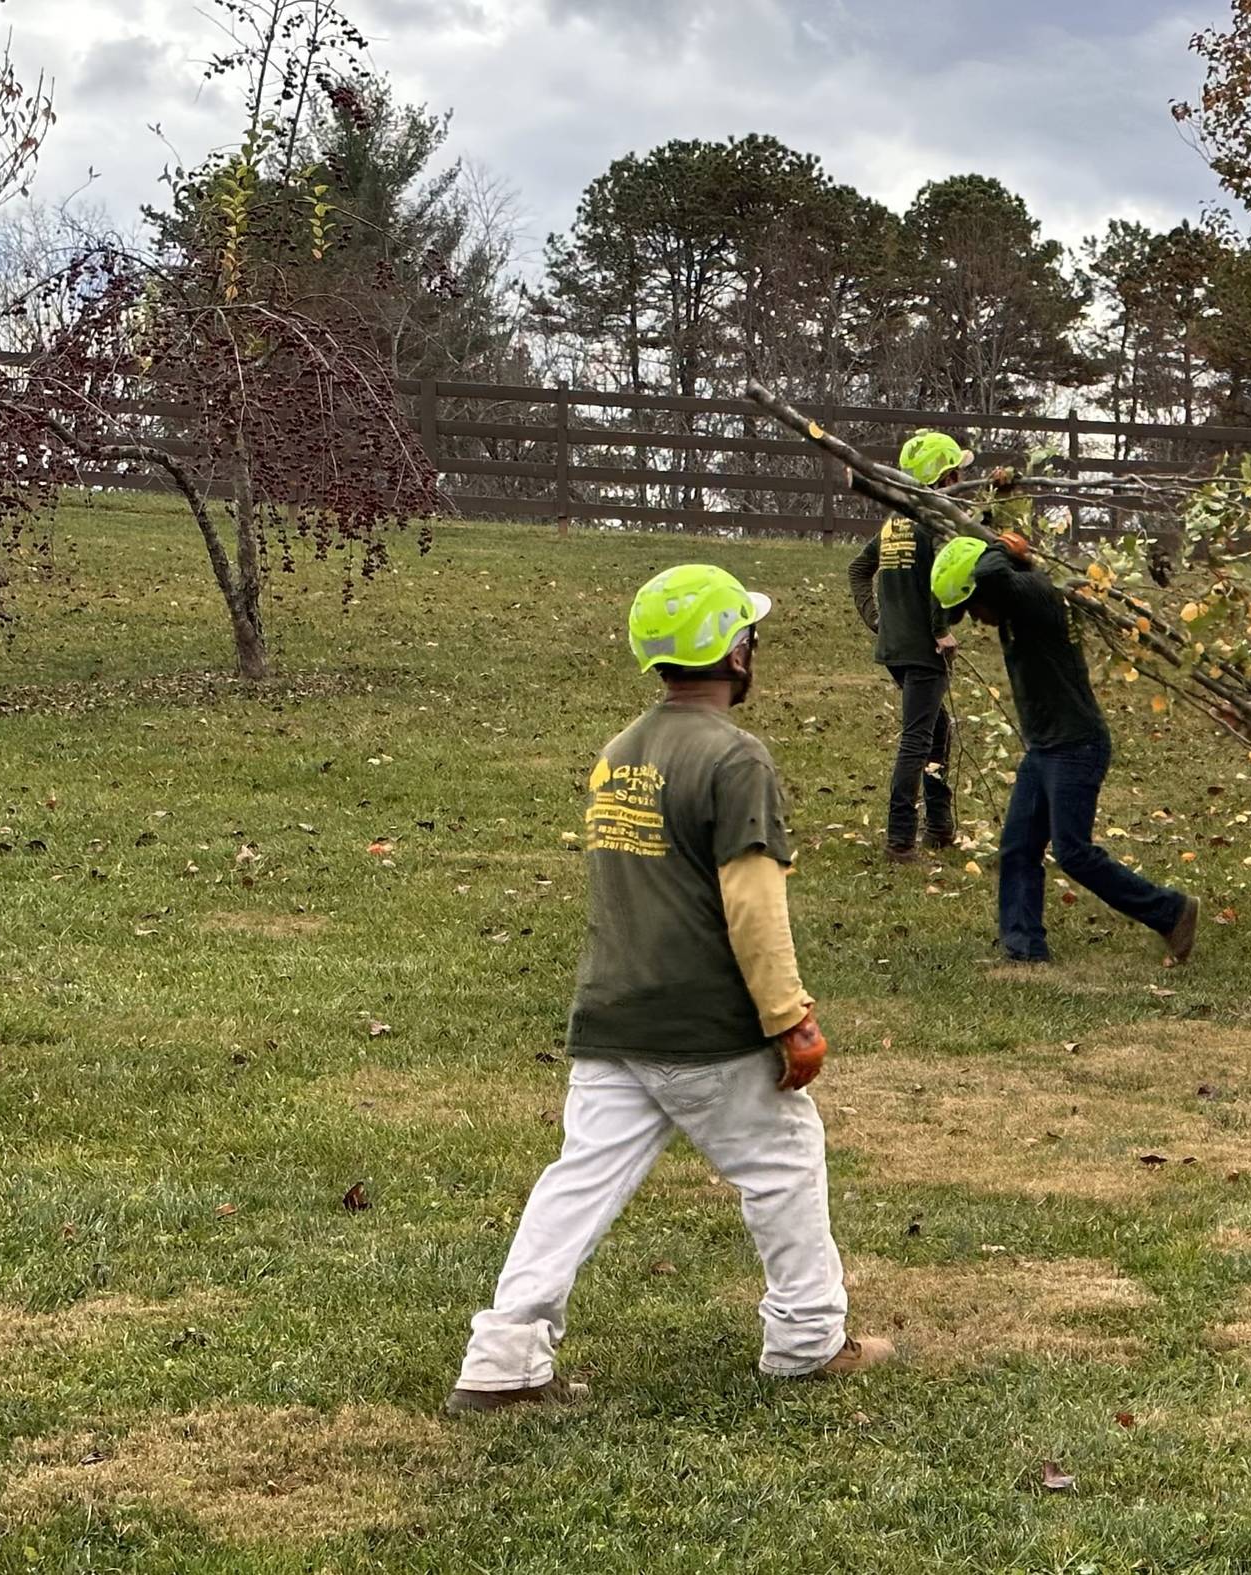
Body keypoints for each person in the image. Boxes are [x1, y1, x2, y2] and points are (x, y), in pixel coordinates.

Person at [447, 564, 893, 1413]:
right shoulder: (735, 757)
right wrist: (790, 1017)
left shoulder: (620, 754)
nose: (753, 645)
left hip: (612, 1014)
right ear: (732, 650)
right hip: (705, 1024)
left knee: (575, 1183)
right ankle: (806, 1339)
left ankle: (501, 1359)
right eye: (747, 633)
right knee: (784, 1162)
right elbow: (752, 900)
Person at [931, 534, 1200, 966]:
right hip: (1045, 747)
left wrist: (1001, 545)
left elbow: (989, 567)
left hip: (1076, 745)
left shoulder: (1033, 596)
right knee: (1018, 847)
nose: (976, 620)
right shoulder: (1012, 599)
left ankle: (1171, 911)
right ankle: (1023, 948)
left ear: (990, 587)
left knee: (1073, 852)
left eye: (973, 607)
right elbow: (981, 564)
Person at [846, 430, 973, 859]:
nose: (961, 482)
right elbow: (942, 575)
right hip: (924, 649)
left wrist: (877, 620)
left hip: (896, 649)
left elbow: (858, 569)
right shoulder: (934, 522)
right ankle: (900, 839)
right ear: (946, 476)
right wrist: (941, 630)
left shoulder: (895, 522)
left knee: (938, 729)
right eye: (957, 474)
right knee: (917, 740)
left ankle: (939, 826)